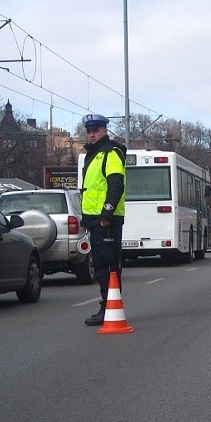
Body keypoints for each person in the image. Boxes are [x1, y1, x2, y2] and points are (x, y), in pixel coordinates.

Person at [79, 113, 126, 326]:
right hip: (94, 219)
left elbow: (116, 185)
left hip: (105, 220)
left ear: (105, 130)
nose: (92, 135)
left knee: (106, 265)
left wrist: (106, 214)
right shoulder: (93, 154)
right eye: (89, 131)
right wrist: (86, 218)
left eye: (96, 130)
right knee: (101, 264)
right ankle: (109, 305)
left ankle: (108, 307)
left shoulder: (110, 153)